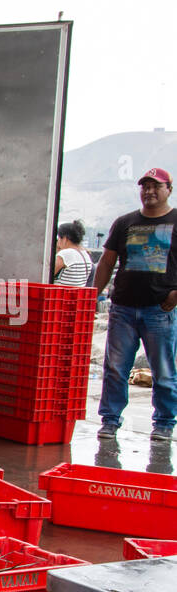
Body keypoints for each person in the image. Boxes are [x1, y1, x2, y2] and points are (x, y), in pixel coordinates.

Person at [95, 168, 177, 441]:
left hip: (160, 311)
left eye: (156, 186)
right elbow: (107, 262)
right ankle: (110, 419)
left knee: (163, 370)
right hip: (123, 309)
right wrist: (92, 295)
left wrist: (175, 295)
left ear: (169, 189)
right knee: (116, 368)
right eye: (145, 186)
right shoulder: (124, 222)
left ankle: (164, 423)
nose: (149, 191)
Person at [52, 219, 92, 286]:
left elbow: (47, 274)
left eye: (58, 238)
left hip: (61, 295)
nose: (57, 242)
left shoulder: (65, 254)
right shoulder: (85, 254)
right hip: (76, 295)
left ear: (65, 238)